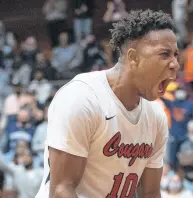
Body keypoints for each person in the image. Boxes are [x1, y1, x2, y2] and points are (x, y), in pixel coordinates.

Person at [35, 9, 179, 198]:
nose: (175, 63)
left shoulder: (155, 115)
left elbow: (150, 193)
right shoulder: (82, 98)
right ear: (133, 57)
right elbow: (61, 189)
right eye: (164, 54)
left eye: (175, 54)